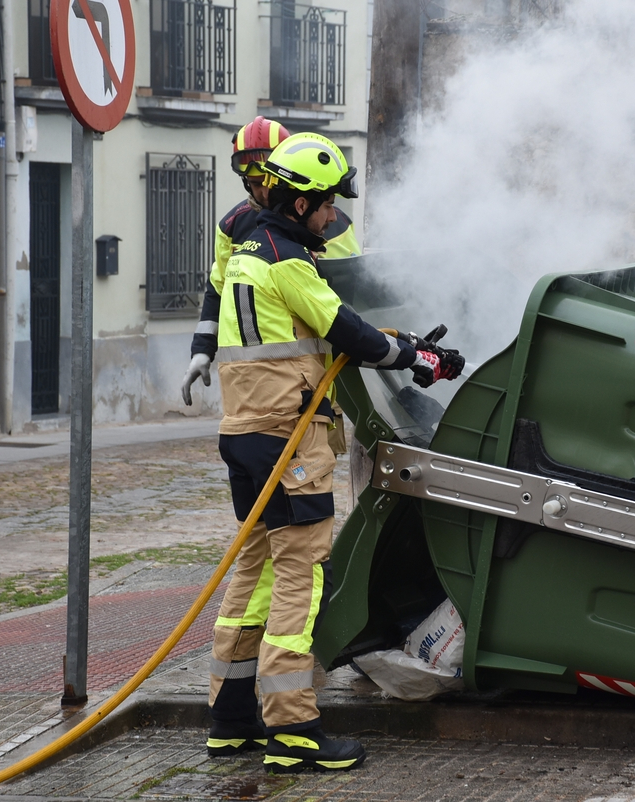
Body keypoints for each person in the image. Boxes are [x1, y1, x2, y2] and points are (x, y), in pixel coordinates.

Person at [204, 131, 465, 773]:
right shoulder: (289, 262)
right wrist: (419, 359)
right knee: (300, 579)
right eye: (326, 206)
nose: (333, 217)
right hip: (289, 444)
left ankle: (231, 721)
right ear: (298, 205)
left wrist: (404, 343)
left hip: (246, 436)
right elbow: (348, 331)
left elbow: (321, 328)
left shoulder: (248, 253)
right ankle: (294, 730)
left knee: (255, 576)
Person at [181, 116, 291, 408]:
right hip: (247, 377)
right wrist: (201, 350)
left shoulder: (323, 219)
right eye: (256, 184)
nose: (264, 193)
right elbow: (218, 289)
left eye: (270, 182)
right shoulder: (232, 226)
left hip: (311, 369)